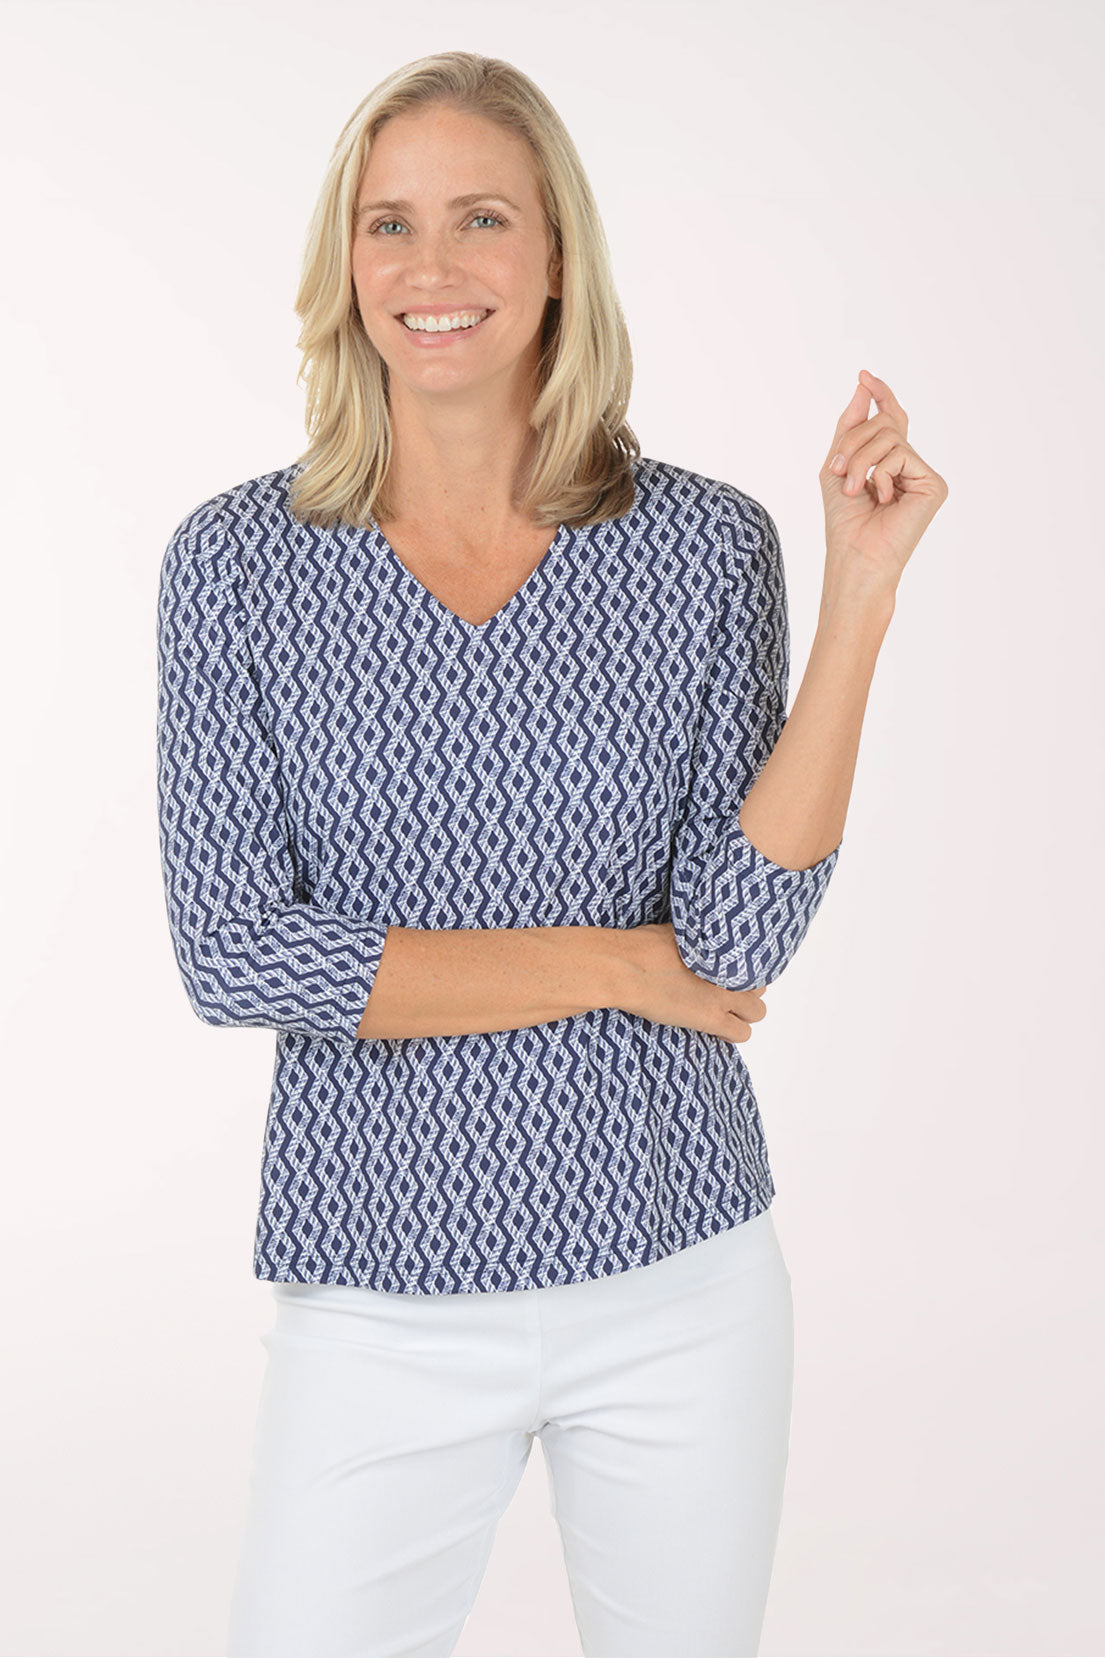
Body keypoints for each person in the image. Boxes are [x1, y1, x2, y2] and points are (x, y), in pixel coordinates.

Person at [155, 49, 948, 1658]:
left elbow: (730, 939)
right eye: (388, 224)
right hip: (376, 1292)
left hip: (679, 1277)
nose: (429, 269)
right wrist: (609, 962)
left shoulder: (702, 546)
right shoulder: (237, 563)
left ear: (557, 259)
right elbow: (239, 950)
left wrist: (856, 587)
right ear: (343, 264)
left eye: (479, 218)